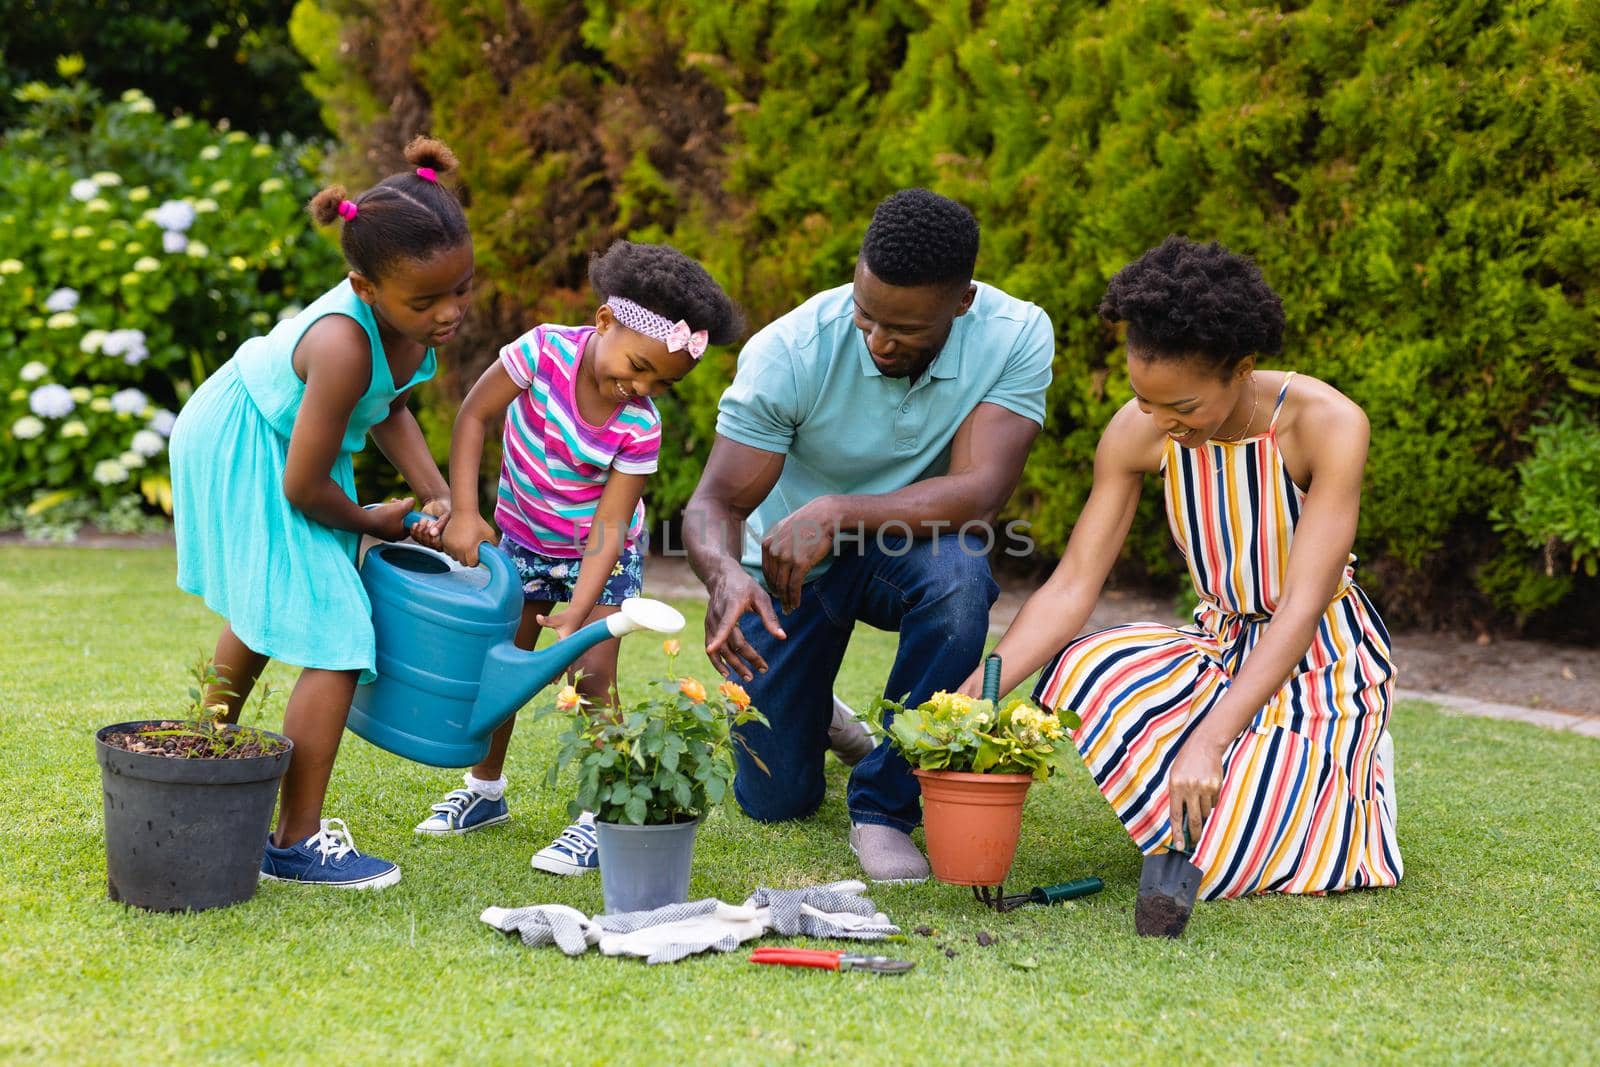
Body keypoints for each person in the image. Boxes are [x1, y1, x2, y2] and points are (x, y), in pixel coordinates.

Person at [967, 236, 1400, 935]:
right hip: (1219, 645)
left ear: (1243, 370)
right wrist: (971, 699)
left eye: (1185, 407)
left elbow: (1299, 611)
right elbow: (1073, 585)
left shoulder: (1328, 426)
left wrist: (1209, 741)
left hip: (1320, 660)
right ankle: (1236, 795)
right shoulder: (1139, 431)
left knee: (1236, 868)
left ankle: (1339, 779)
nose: (1163, 422)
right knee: (1084, 661)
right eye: (1145, 400)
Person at [683, 189, 1054, 883]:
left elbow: (981, 489)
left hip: (905, 548)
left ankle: (885, 806)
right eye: (866, 313)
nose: (877, 340)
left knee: (960, 578)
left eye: (904, 329)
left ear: (961, 302)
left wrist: (840, 511)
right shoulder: (792, 350)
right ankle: (819, 713)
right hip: (788, 572)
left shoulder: (1016, 333)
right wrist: (724, 574)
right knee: (777, 800)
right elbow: (715, 500)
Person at [169, 136, 473, 889]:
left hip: (290, 442)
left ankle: (197, 759)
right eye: (426, 301)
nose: (450, 312)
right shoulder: (341, 342)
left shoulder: (404, 329)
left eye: (462, 288)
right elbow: (304, 487)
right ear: (365, 287)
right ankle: (293, 842)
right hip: (251, 444)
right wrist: (376, 521)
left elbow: (390, 406)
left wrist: (440, 495)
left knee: (278, 596)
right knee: (337, 630)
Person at [420, 241, 742, 876]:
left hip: (599, 555)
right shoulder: (541, 353)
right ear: (603, 320)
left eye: (662, 382)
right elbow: (473, 417)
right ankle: (485, 790)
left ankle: (599, 818)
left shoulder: (638, 424)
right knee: (502, 664)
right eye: (639, 364)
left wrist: (578, 616)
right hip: (519, 541)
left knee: (593, 677)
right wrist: (462, 509)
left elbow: (611, 524)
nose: (642, 386)